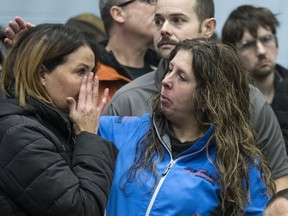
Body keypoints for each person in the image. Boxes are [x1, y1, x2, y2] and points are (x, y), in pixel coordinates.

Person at [102, 0, 288, 192]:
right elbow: (99, 183)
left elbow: (278, 179)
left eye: (177, 20)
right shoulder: (128, 100)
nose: (164, 29)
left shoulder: (248, 100)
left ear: (207, 27)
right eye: (158, 21)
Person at [99, 38, 274, 215]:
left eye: (181, 77)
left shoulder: (237, 163)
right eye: (169, 69)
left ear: (207, 97)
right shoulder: (125, 130)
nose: (166, 80)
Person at [0, 23, 117, 216]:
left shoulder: (52, 122)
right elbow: (82, 209)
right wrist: (88, 135)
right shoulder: (19, 133)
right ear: (41, 75)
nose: (90, 84)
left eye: (92, 74)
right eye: (81, 72)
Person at [221, 5, 288, 105]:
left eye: (266, 39)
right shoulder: (223, 101)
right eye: (248, 45)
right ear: (233, 55)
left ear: (276, 43)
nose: (261, 51)